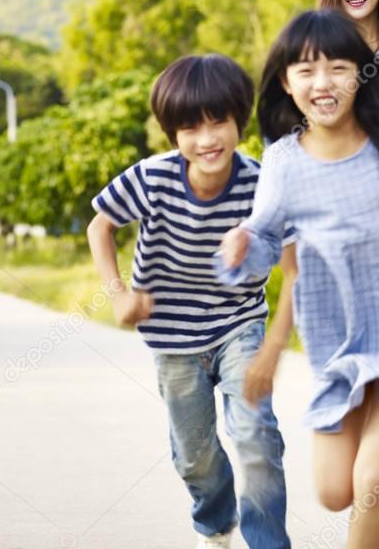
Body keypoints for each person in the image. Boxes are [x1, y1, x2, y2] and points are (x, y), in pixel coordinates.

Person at [218, 9, 379, 548]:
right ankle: (362, 429)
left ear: (362, 73)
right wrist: (243, 246)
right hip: (339, 341)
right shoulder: (284, 162)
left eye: (339, 67)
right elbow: (267, 241)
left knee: (372, 481)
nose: (323, 83)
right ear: (286, 83)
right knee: (335, 491)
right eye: (306, 70)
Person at [87, 54, 293, 549]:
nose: (207, 139)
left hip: (239, 323)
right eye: (190, 127)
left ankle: (267, 541)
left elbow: (292, 260)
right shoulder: (152, 178)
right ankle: (216, 521)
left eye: (218, 121)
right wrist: (118, 295)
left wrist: (276, 342)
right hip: (172, 335)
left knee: (255, 435)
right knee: (193, 455)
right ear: (171, 134)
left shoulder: (258, 182)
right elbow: (101, 224)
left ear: (238, 121)